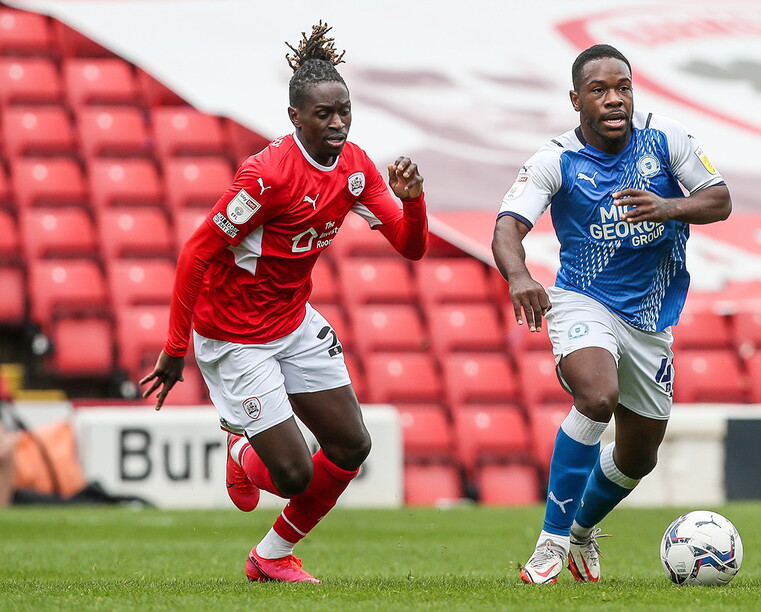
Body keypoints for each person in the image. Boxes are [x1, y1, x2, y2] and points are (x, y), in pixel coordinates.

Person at [140, 21, 428, 583]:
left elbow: (410, 247)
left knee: (351, 444)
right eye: (325, 114)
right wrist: (177, 348)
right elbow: (195, 254)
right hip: (234, 338)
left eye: (344, 110)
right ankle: (243, 456)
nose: (338, 122)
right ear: (296, 117)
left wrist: (413, 202)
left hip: (293, 322)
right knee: (295, 475)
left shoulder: (356, 167)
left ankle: (271, 556)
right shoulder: (266, 176)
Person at [492, 43, 731, 584]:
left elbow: (719, 199)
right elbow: (507, 226)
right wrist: (521, 276)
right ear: (576, 100)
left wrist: (668, 206)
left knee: (638, 456)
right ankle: (550, 543)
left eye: (622, 87)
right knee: (598, 397)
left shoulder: (665, 137)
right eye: (599, 90)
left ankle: (580, 531)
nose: (614, 98)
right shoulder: (555, 160)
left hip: (650, 320)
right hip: (582, 300)